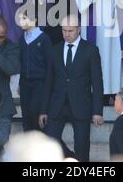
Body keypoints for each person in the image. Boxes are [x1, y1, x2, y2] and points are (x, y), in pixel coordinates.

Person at [39, 15, 104, 162]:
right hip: (57, 105)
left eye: (71, 31)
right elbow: (48, 82)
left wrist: (97, 111)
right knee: (50, 143)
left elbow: (97, 82)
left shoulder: (90, 50)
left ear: (79, 30)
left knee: (82, 145)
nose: (67, 34)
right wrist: (43, 109)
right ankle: (70, 159)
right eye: (64, 30)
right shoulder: (54, 51)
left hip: (81, 105)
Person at [18, 10, 52, 132]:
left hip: (39, 82)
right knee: (26, 114)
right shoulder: (22, 39)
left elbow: (49, 66)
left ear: (34, 20)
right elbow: (21, 62)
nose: (21, 21)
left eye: (24, 18)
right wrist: (19, 83)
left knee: (35, 112)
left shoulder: (44, 39)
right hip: (25, 82)